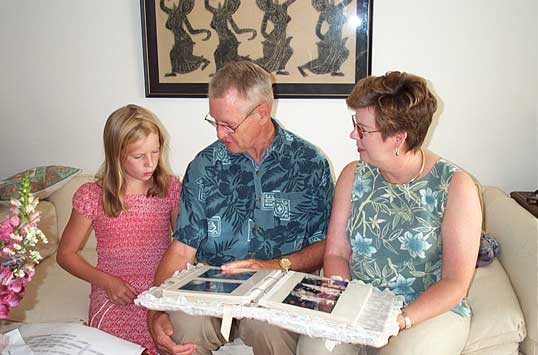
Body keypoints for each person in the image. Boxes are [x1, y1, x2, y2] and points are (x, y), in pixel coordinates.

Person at [148, 60, 334, 355]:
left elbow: (325, 245)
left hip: (279, 288)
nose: (219, 134)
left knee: (268, 329)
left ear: (262, 113)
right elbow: (182, 248)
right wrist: (156, 312)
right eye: (214, 122)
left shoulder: (310, 164)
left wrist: (273, 266)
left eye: (229, 125)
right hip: (212, 287)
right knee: (183, 329)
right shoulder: (204, 166)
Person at [297, 72, 483, 355]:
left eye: (363, 129)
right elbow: (335, 254)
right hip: (358, 305)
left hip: (427, 312)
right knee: (317, 351)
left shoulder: (457, 187)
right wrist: (345, 297)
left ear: (398, 138)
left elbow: (455, 282)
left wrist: (400, 321)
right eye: (354, 125)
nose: (352, 135)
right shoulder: (353, 176)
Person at [57, 104, 181, 355]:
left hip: (160, 292)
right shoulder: (92, 195)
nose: (150, 163)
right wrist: (106, 282)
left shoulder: (170, 188)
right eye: (139, 156)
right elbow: (65, 254)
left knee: (172, 342)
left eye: (155, 152)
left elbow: (183, 245)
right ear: (117, 155)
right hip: (114, 295)